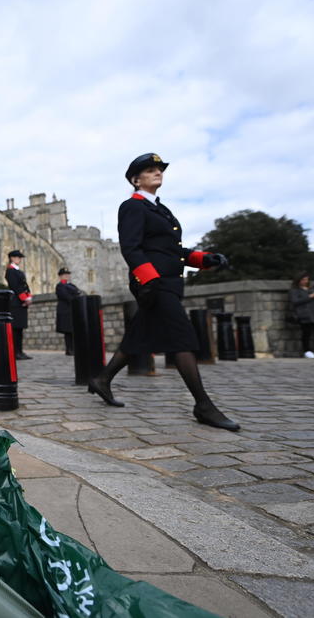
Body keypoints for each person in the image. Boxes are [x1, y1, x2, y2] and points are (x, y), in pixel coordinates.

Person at [87, 153, 239, 431]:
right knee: (183, 339)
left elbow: (172, 251)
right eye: (150, 170)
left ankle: (102, 379)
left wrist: (204, 259)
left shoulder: (162, 210)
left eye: (159, 169)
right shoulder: (132, 207)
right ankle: (203, 405)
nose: (158, 173)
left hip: (168, 282)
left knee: (138, 337)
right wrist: (149, 280)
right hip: (154, 284)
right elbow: (131, 248)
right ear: (136, 179)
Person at [289, 273, 314, 358]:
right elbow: (295, 301)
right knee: (307, 333)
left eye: (306, 279)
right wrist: (310, 296)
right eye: (303, 280)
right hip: (305, 314)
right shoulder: (295, 290)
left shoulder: (311, 288)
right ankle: (307, 350)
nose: (305, 281)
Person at [4, 250, 32, 360]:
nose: (19, 259)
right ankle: (15, 352)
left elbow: (25, 286)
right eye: (17, 257)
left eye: (20, 257)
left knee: (20, 329)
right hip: (16, 302)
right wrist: (24, 298)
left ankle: (20, 351)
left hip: (21, 303)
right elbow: (15, 286)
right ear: (11, 258)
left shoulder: (18, 271)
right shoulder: (10, 271)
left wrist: (29, 296)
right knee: (15, 329)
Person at [55, 267, 84, 356]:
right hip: (65, 311)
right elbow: (66, 296)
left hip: (72, 310)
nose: (67, 276)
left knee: (73, 331)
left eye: (68, 274)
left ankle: (74, 348)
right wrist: (75, 296)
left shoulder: (72, 285)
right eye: (65, 274)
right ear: (60, 276)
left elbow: (79, 293)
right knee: (68, 331)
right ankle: (69, 349)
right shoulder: (60, 286)